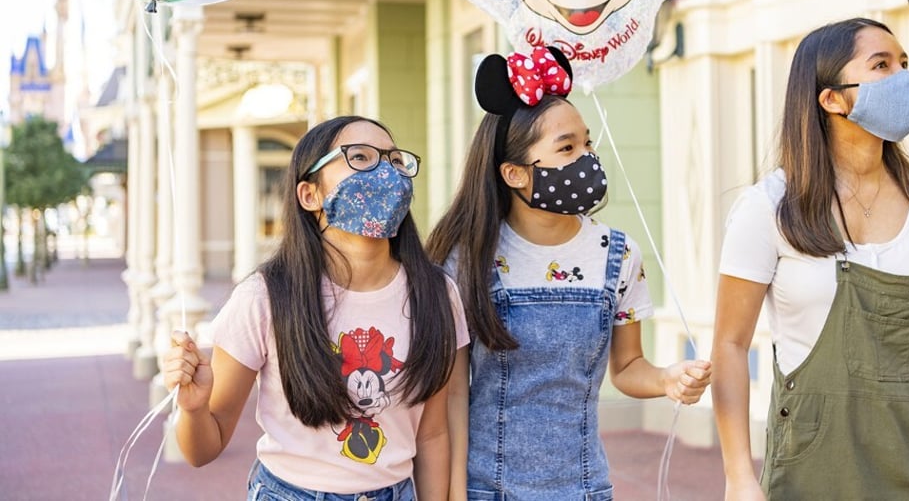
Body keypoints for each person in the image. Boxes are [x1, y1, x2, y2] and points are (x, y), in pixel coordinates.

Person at [711, 17, 909, 500]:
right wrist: (738, 476)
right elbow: (731, 344)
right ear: (831, 97)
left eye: (904, 63)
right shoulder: (769, 209)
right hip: (815, 471)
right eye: (881, 65)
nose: (903, 77)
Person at [425, 45, 712, 501]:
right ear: (514, 173)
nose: (587, 158)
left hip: (583, 489)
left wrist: (668, 379)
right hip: (484, 490)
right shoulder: (467, 260)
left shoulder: (618, 255)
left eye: (587, 143)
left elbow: (628, 367)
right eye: (567, 147)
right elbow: (451, 393)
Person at [162, 116, 469, 501]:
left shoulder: (438, 294)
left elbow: (433, 433)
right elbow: (203, 449)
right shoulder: (265, 297)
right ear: (309, 195)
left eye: (394, 161)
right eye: (360, 157)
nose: (385, 173)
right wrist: (192, 409)